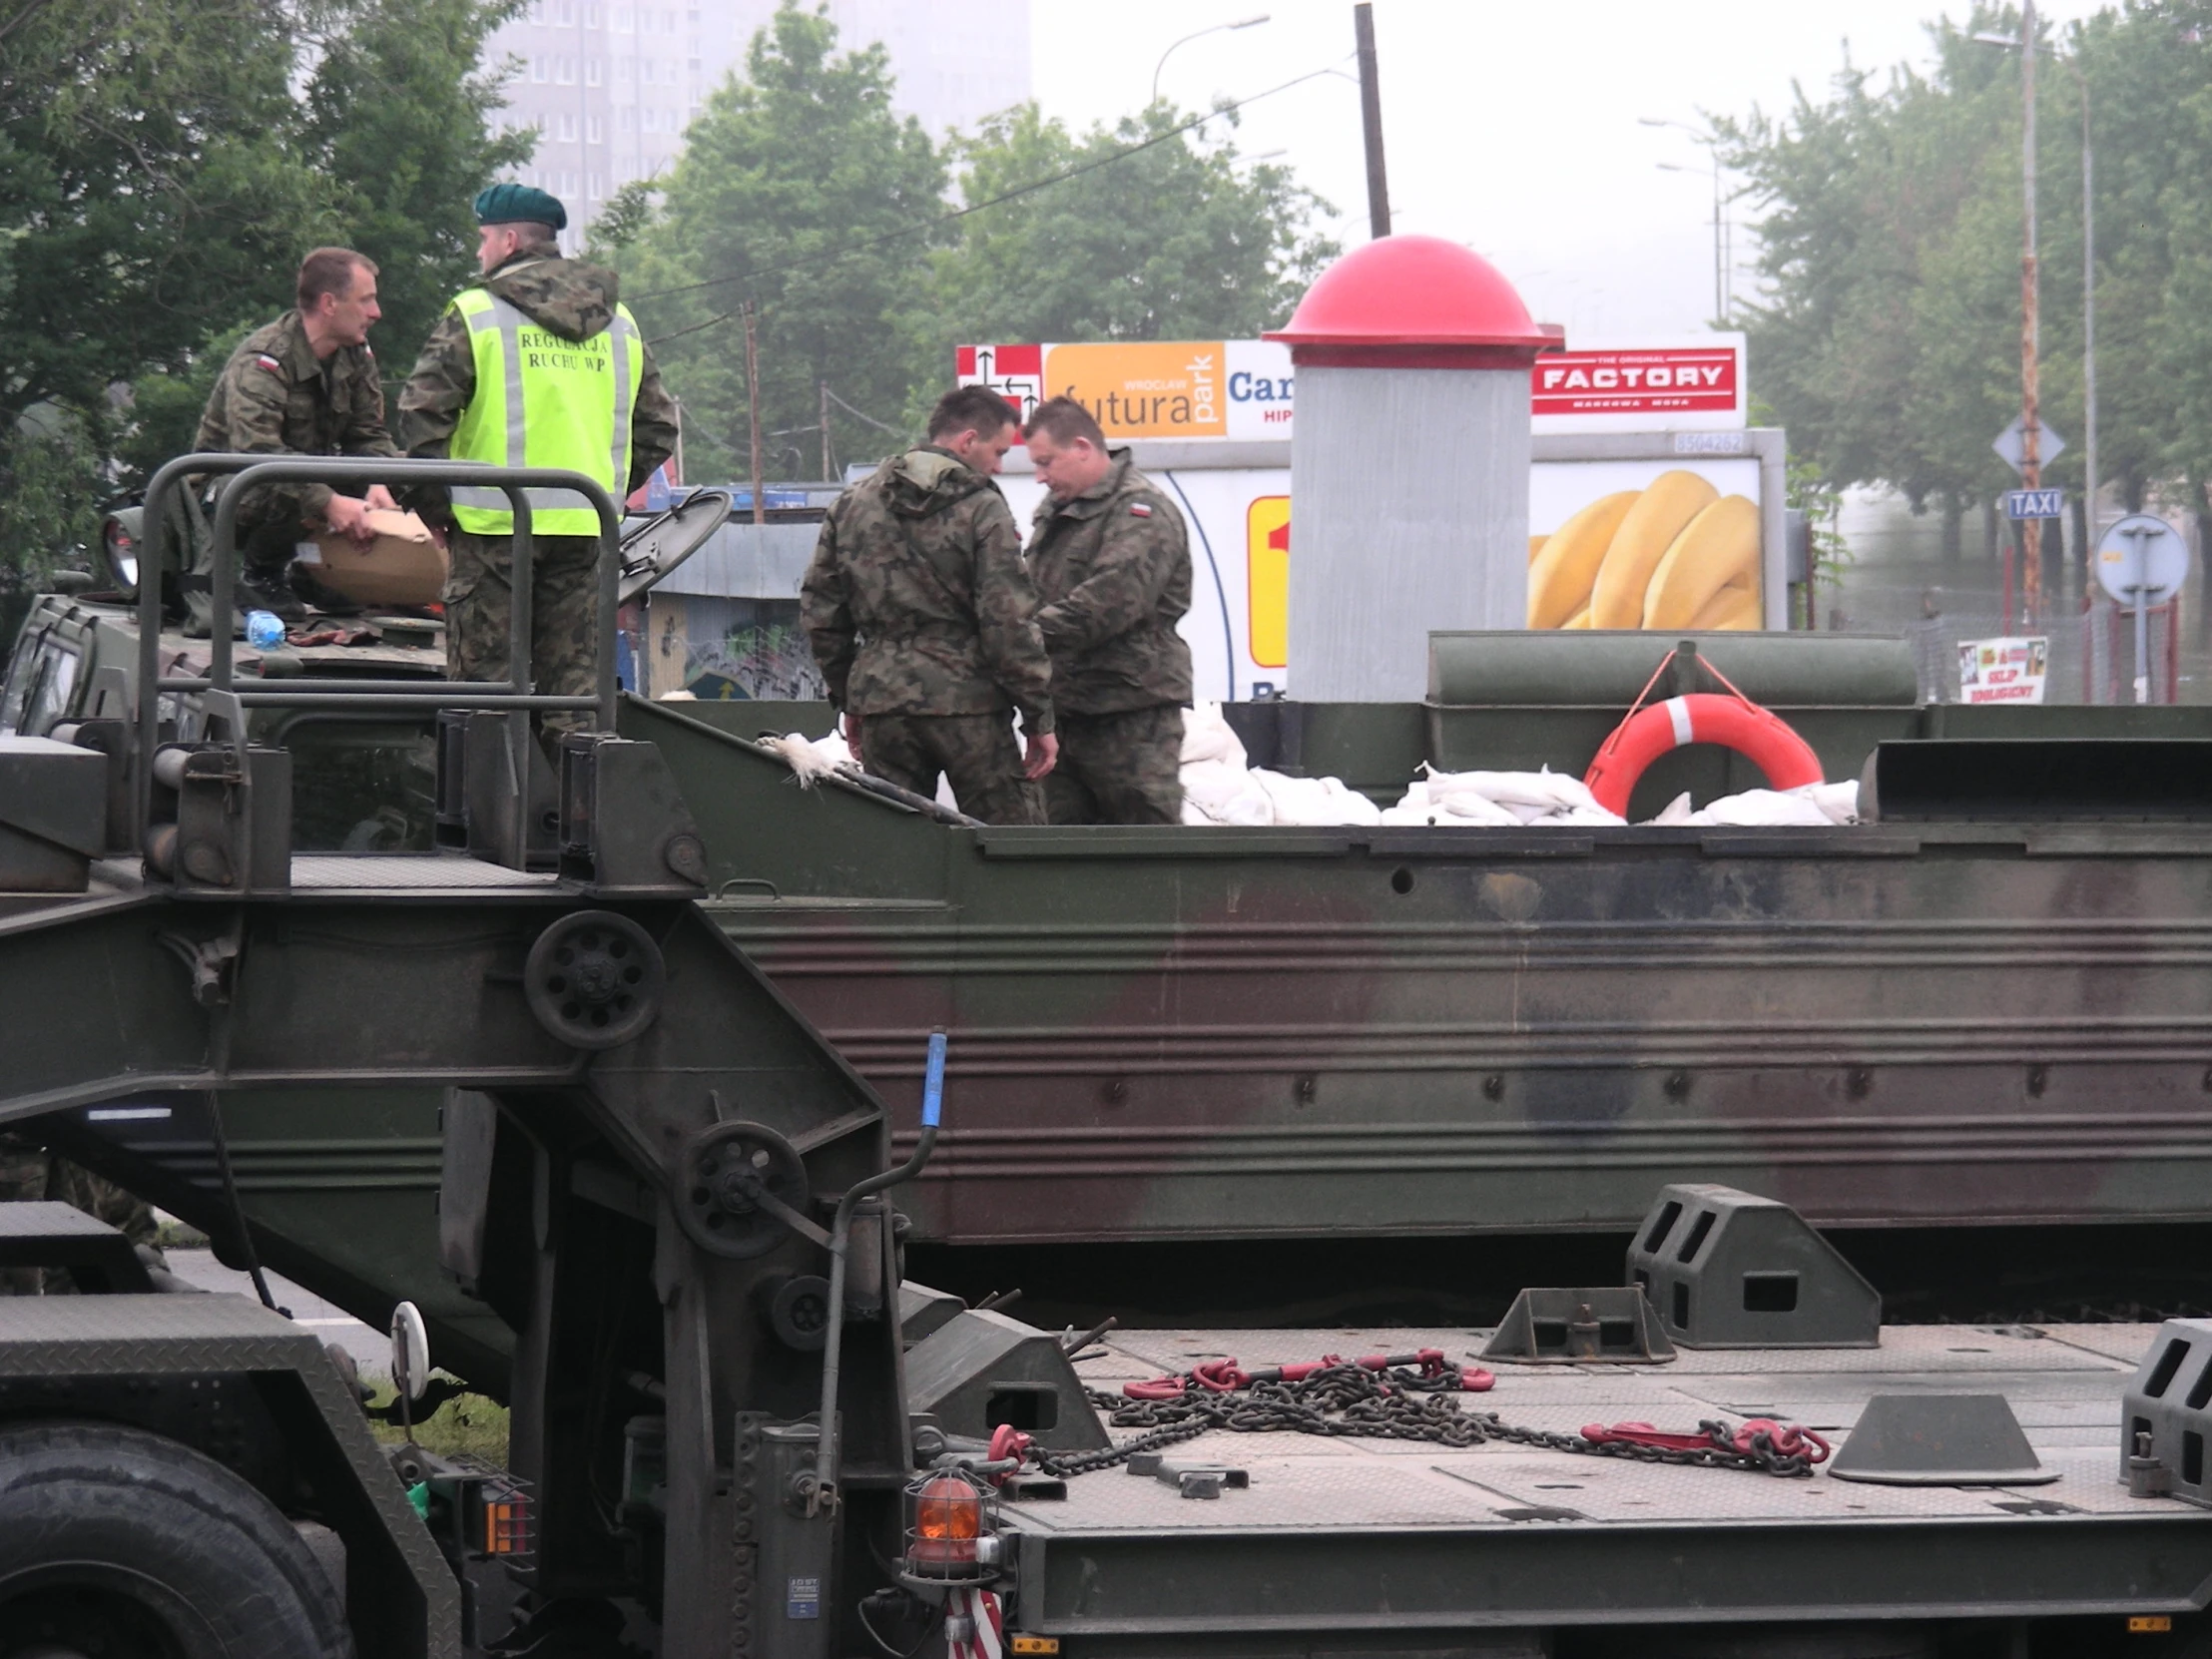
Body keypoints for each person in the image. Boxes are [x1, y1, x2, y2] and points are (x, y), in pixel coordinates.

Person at [397, 184, 678, 756]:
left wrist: (437, 508)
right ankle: (581, 835)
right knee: (577, 704)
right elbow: (657, 430)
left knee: (486, 700)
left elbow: (421, 416)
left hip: (492, 531)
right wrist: (606, 492)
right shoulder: (619, 321)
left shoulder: (476, 313)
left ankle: (488, 838)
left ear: (506, 240)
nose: (479, 255)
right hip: (586, 532)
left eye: (481, 241)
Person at [801, 386, 1057, 825]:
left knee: (895, 847)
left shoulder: (852, 504)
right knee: (1011, 847)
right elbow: (1008, 622)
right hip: (970, 707)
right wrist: (1038, 718)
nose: (998, 466)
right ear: (967, 441)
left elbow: (822, 614)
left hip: (884, 705)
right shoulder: (982, 508)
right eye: (997, 452)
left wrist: (852, 699)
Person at [192, 247, 402, 616]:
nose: (376, 313)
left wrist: (379, 481)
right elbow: (256, 453)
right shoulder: (265, 360)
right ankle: (263, 573)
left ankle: (315, 570)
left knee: (407, 471)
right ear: (329, 304)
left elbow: (367, 435)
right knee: (285, 478)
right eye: (366, 300)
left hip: (302, 480)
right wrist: (330, 502)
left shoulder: (355, 354)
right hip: (229, 498)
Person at [1020, 397, 1193, 825]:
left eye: (1047, 462)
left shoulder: (1141, 512)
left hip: (1130, 716)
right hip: (1065, 715)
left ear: (1082, 446)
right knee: (1063, 853)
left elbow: (1106, 605)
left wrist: (1013, 636)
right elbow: (1029, 590)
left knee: (1144, 850)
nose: (1040, 476)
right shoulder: (1055, 513)